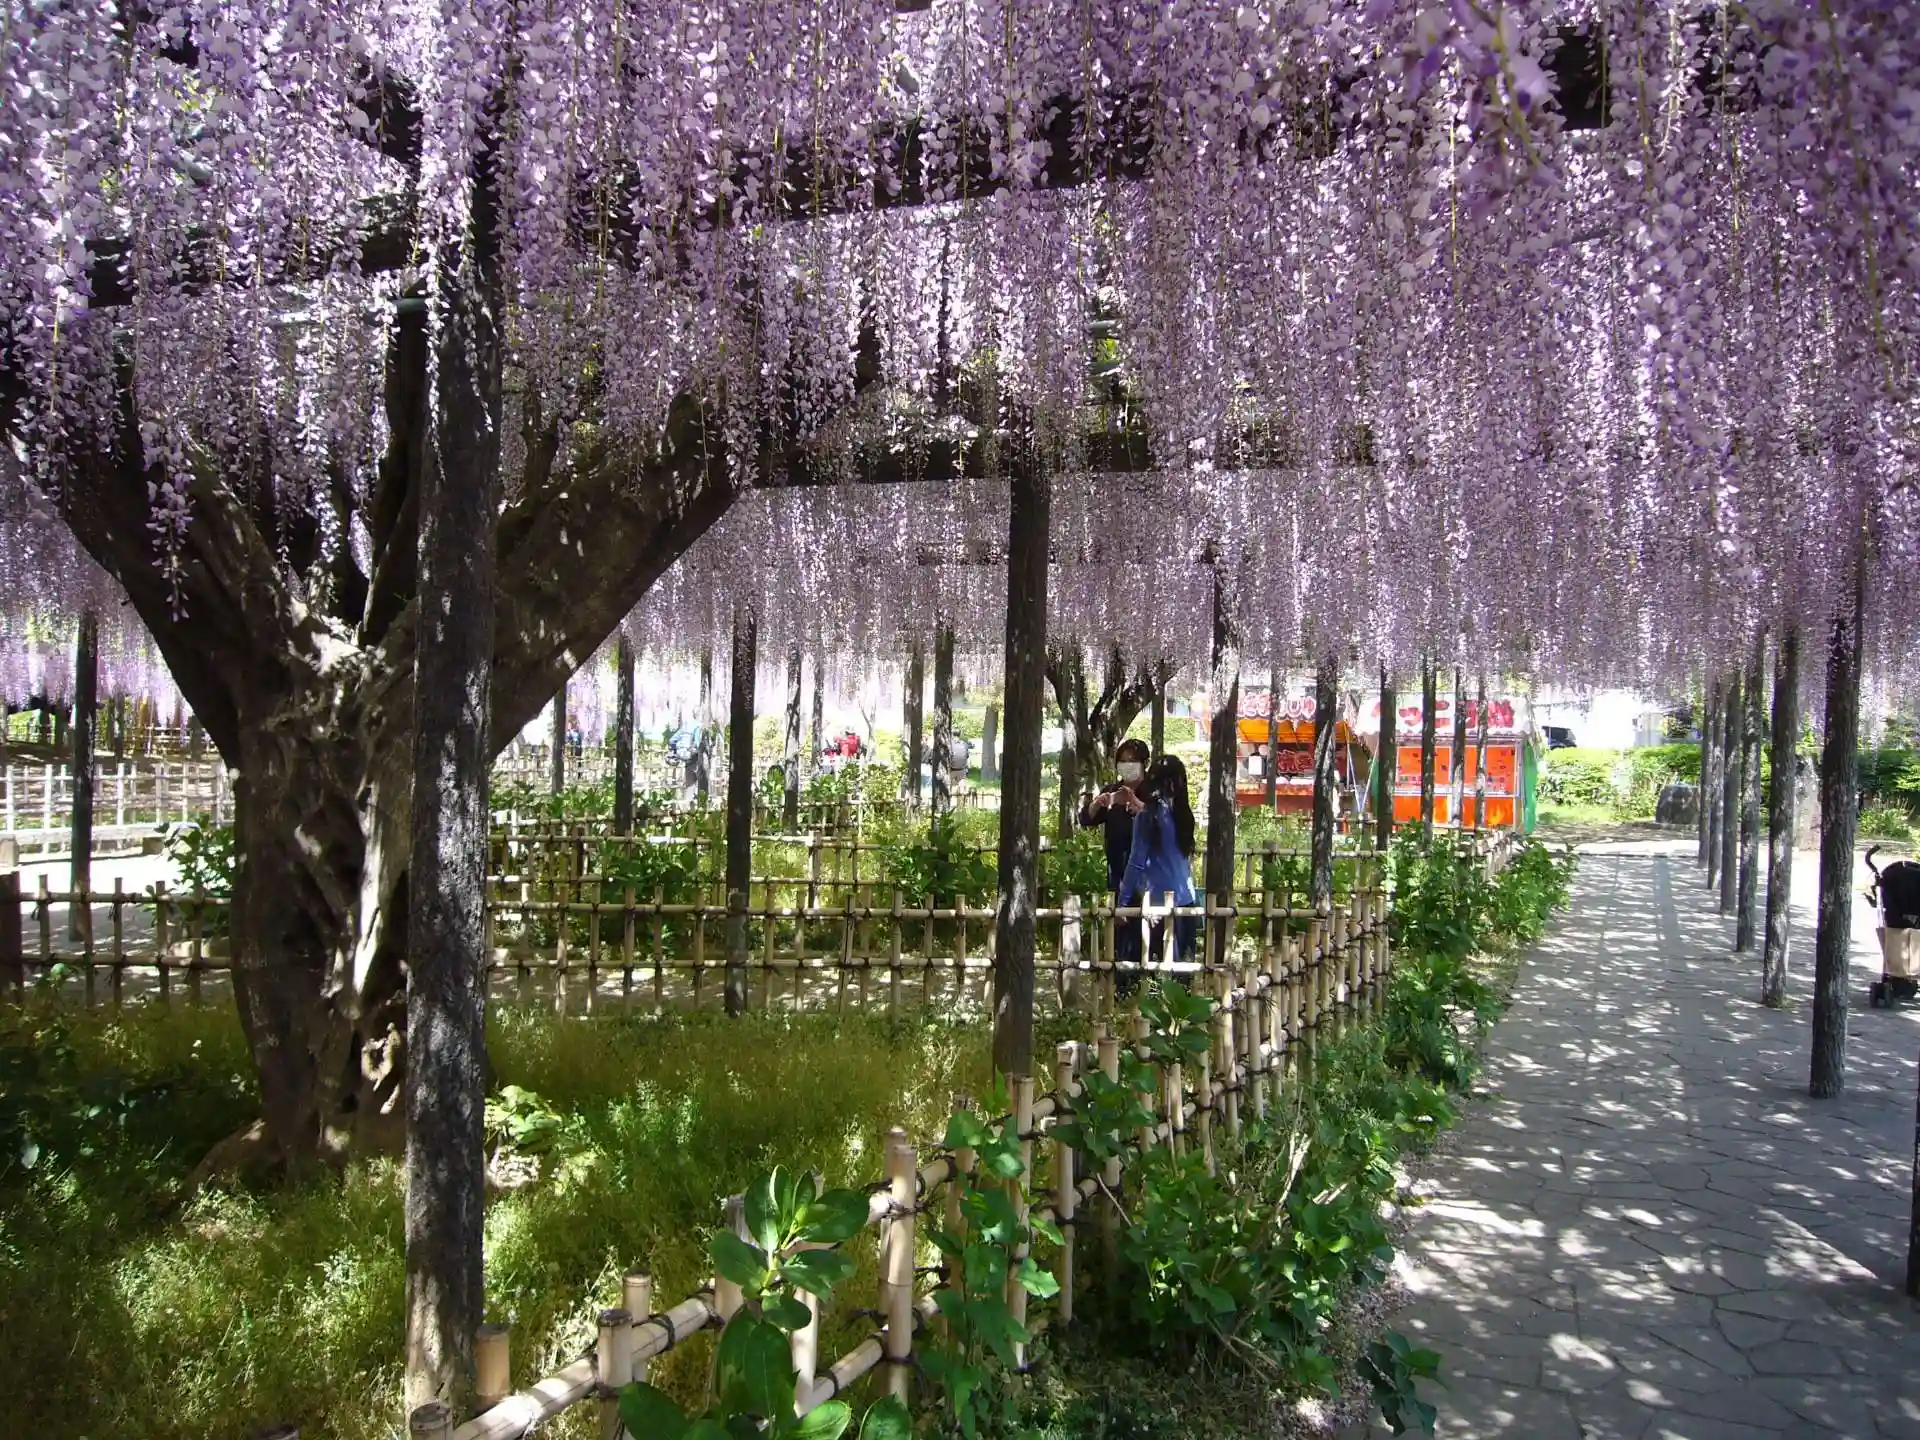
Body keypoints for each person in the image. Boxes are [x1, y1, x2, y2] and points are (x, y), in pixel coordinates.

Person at [1116, 754, 1199, 990]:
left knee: (1137, 973)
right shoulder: (1183, 814)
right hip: (1186, 900)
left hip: (1157, 903)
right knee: (1181, 979)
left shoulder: (1149, 816)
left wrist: (1123, 903)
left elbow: (1136, 861)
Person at [1079, 738, 1153, 894]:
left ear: (1145, 763)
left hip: (1150, 876)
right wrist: (1096, 804)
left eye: (1132, 761)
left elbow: (1165, 823)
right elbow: (1086, 819)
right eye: (1122, 762)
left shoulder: (1154, 792)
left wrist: (1139, 806)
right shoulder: (1111, 791)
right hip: (1117, 876)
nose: (1127, 766)